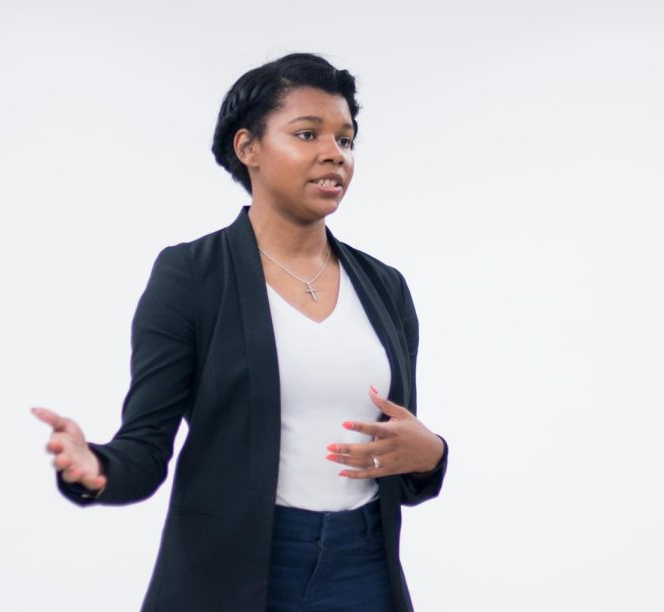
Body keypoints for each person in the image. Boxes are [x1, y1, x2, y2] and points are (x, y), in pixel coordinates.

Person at [31, 52, 449, 612]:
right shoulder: (191, 275)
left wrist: (432, 455)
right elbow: (147, 448)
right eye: (307, 134)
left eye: (346, 140)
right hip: (238, 570)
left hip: (364, 566)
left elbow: (401, 458)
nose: (334, 154)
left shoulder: (384, 287)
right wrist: (95, 468)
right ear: (247, 147)